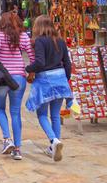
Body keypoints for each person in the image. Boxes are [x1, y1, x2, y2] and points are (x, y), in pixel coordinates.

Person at [0, 12, 34, 160]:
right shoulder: (23, 36)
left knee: (0, 108)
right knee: (15, 113)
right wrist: (31, 74)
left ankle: (7, 139)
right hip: (19, 78)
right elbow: (32, 56)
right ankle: (18, 149)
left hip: (2, 78)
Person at [24, 15, 73, 162]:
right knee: (56, 115)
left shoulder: (40, 41)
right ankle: (53, 146)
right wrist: (66, 79)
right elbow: (68, 63)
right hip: (60, 78)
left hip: (45, 80)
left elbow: (40, 62)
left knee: (42, 114)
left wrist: (27, 68)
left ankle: (53, 140)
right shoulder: (60, 41)